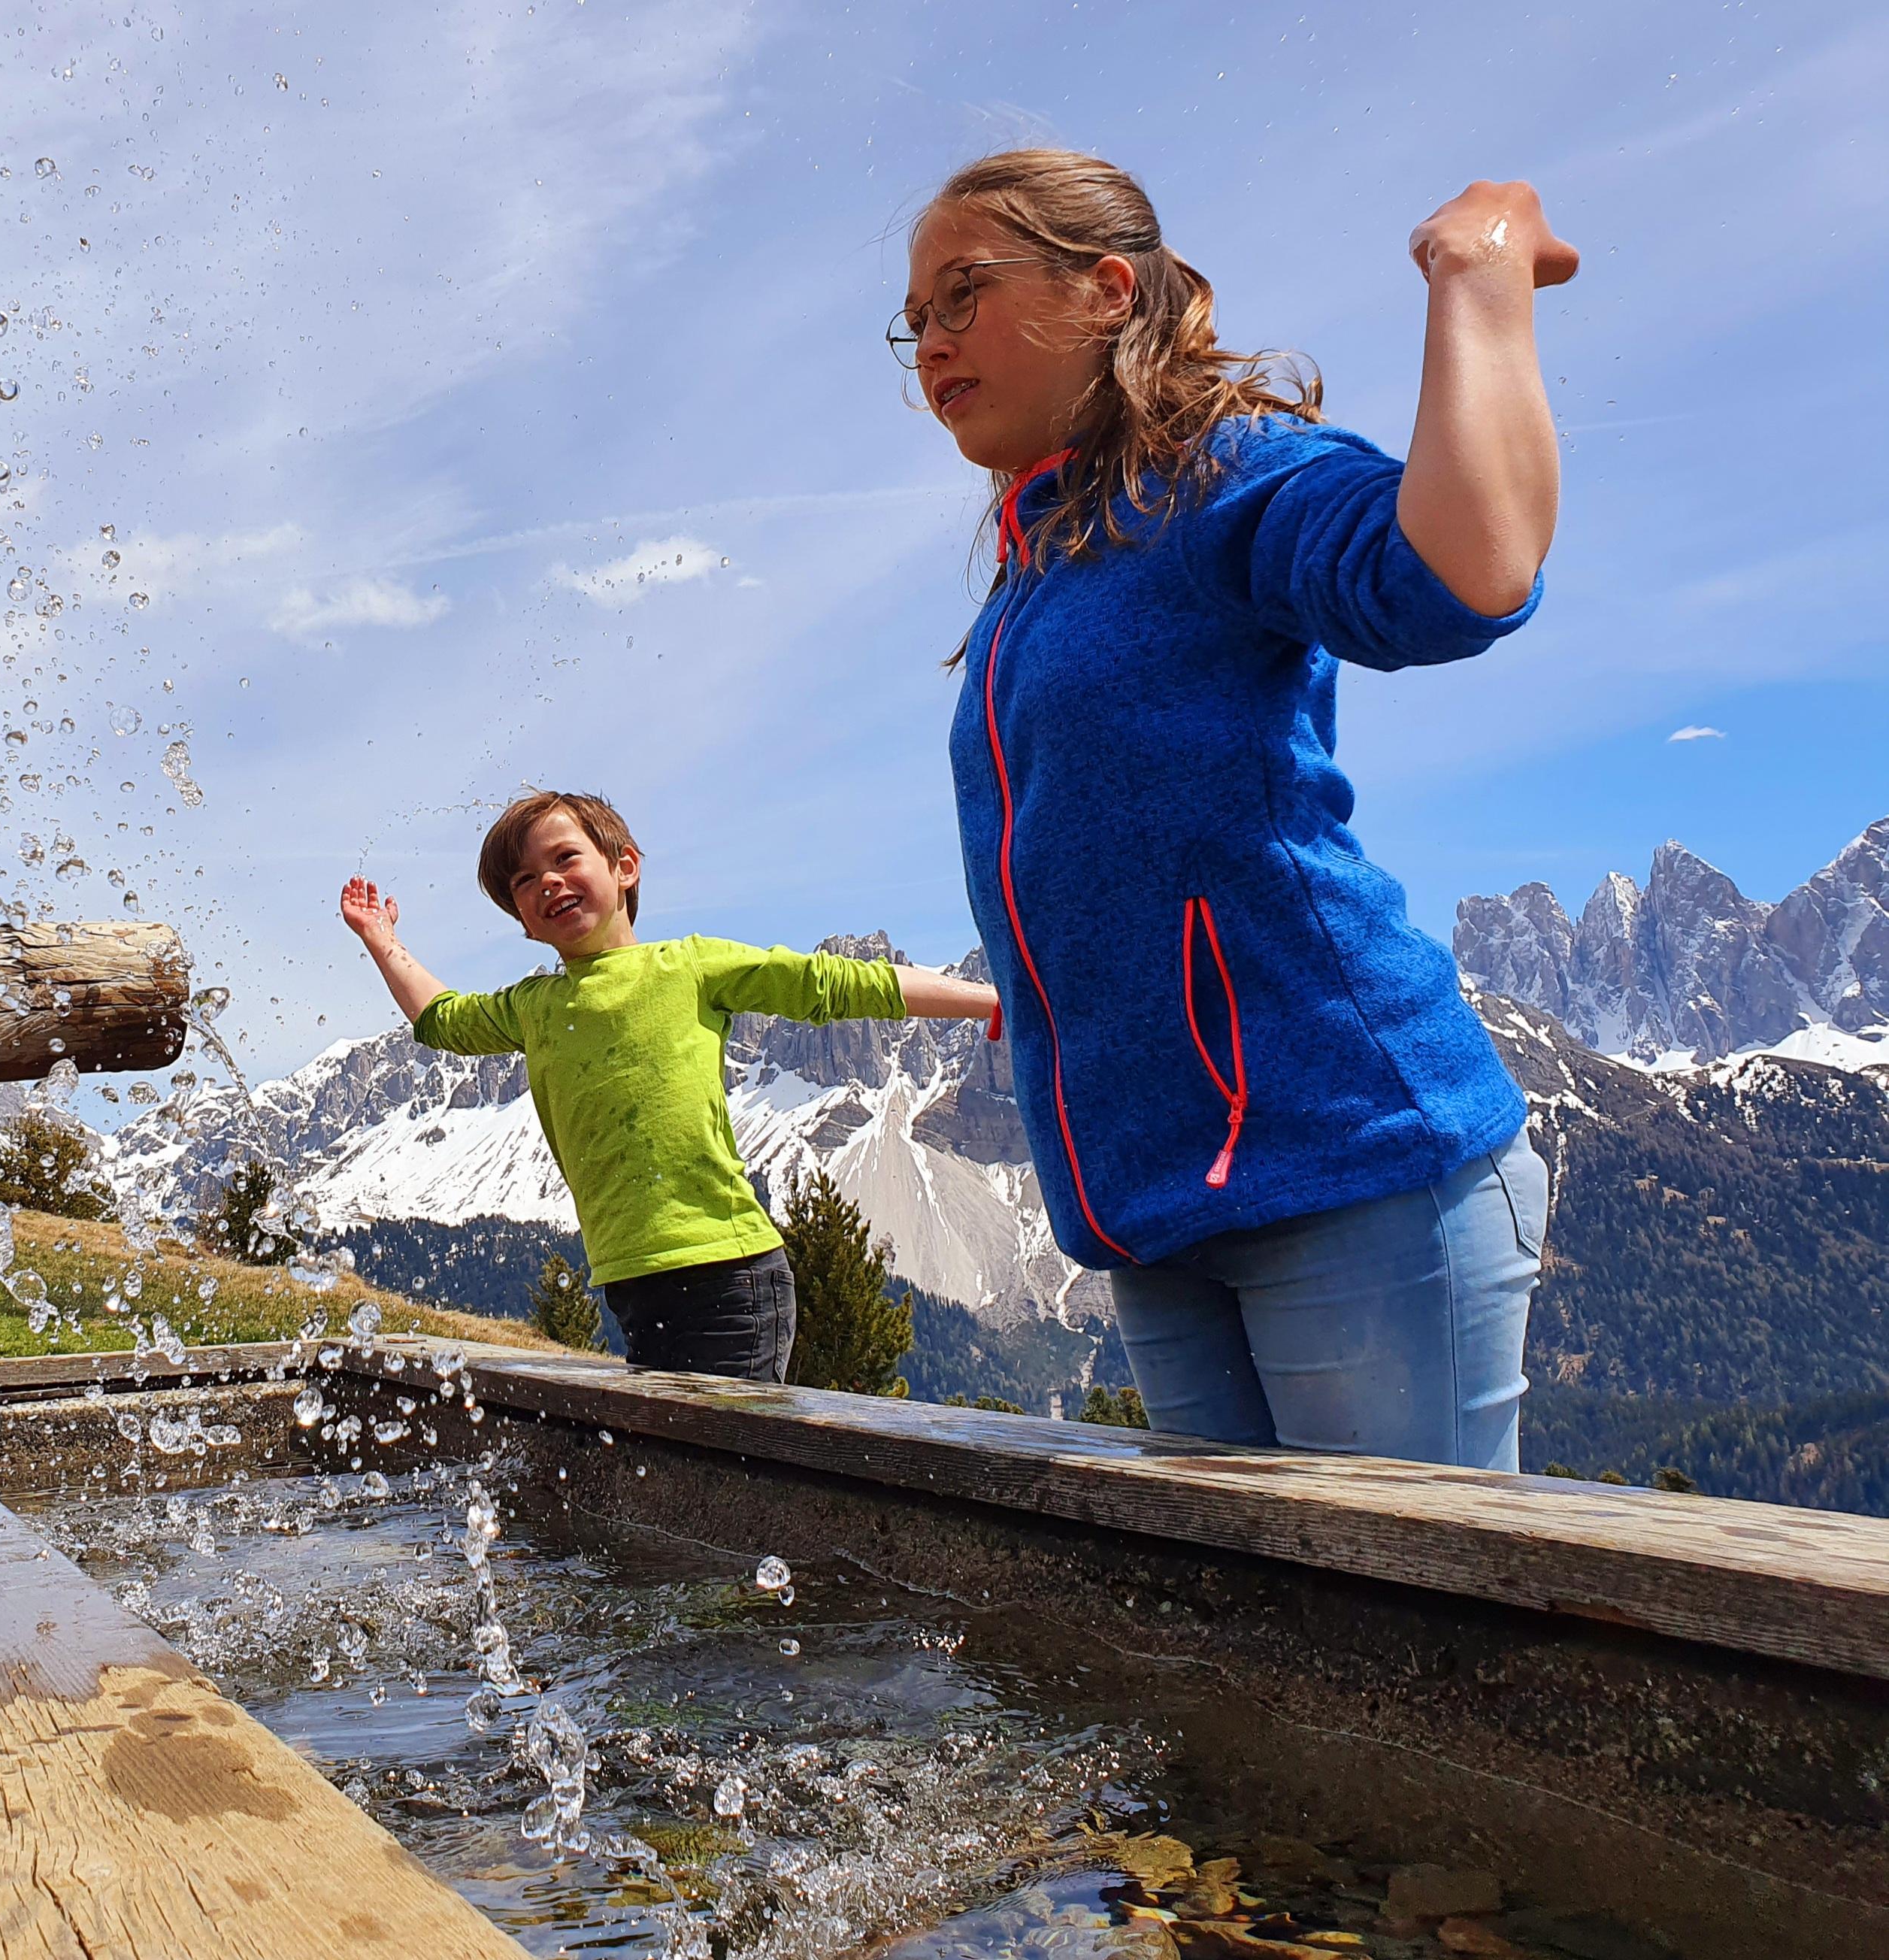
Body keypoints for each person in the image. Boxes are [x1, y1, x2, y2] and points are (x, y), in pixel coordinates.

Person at [898, 149, 1573, 1469]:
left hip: (1348, 1166)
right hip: (1156, 1211)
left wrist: (1477, 277)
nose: (928, 340)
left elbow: (1460, 571)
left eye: (960, 293)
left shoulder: (1221, 474)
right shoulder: (1038, 568)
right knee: (1245, 1644)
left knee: (1409, 1632)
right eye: (911, 319)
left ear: (1102, 292)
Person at [338, 790, 1001, 1381]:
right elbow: (440, 1018)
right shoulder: (531, 1006)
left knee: (720, 1467)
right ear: (522, 919)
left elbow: (836, 984)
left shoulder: (688, 965)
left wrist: (989, 1000)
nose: (548, 881)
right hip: (629, 1279)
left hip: (728, 1272)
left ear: (624, 867)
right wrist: (380, 939)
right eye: (524, 880)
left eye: (565, 858)